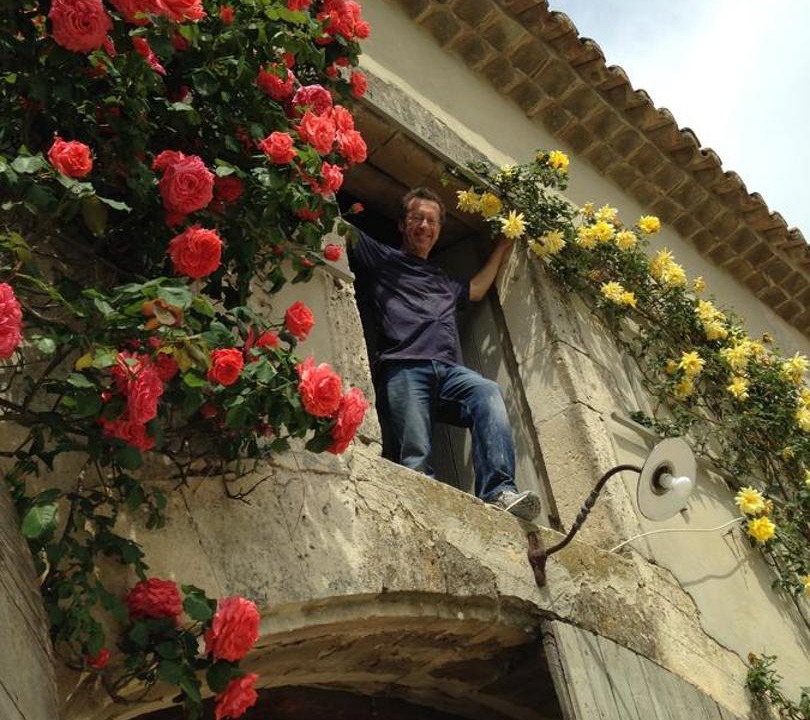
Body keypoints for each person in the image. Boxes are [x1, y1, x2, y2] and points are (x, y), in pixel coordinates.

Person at [349, 187, 542, 521]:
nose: (425, 225)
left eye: (432, 220)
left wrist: (502, 246)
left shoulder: (443, 280)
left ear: (439, 230)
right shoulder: (383, 259)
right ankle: (420, 517)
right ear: (402, 224)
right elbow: (343, 231)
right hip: (404, 367)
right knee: (416, 457)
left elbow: (478, 289)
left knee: (488, 392)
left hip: (450, 372)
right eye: (417, 218)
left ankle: (499, 491)